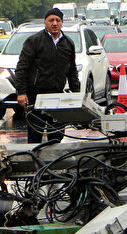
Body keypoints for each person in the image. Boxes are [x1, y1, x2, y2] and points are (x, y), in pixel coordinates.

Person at [14, 8, 80, 143]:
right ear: (45, 23)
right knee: (35, 133)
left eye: (58, 20)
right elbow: (22, 68)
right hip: (36, 94)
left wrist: (76, 93)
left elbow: (72, 70)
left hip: (57, 94)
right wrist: (21, 92)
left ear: (62, 23)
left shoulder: (68, 43)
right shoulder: (34, 41)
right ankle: (34, 160)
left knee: (56, 133)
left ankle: (54, 161)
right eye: (51, 20)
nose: (54, 23)